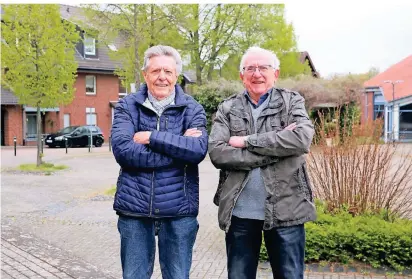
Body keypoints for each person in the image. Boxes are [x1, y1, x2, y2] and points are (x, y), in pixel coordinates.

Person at [208, 46, 316, 279]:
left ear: (275, 73)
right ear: (242, 75)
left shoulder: (291, 101)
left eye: (263, 68)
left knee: (289, 275)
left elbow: (301, 139)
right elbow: (217, 153)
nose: (257, 73)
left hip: (287, 210)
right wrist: (278, 148)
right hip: (240, 212)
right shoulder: (228, 108)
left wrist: (247, 141)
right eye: (250, 68)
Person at [111, 45, 208, 279]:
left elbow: (196, 150)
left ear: (176, 75)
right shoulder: (127, 106)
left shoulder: (192, 108)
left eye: (167, 71)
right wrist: (177, 148)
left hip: (179, 210)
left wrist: (152, 138)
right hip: (135, 209)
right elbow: (124, 151)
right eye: (155, 71)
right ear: (145, 74)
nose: (162, 77)